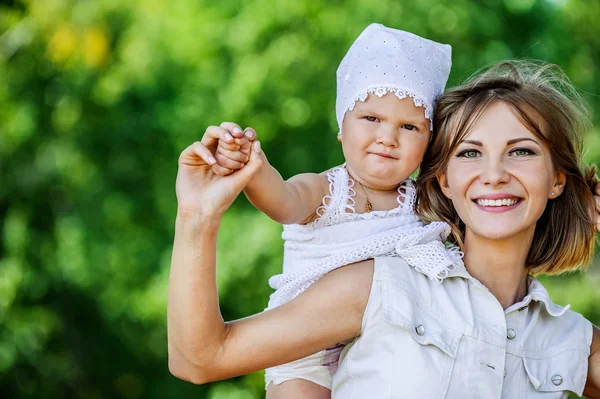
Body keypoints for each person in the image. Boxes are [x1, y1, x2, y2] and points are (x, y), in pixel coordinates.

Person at [167, 60, 600, 398]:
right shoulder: (381, 285)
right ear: (443, 180)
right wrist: (196, 217)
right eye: (470, 153)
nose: (494, 173)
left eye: (521, 151)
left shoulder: (569, 339)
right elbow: (200, 360)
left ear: (557, 179)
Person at [208, 23, 454, 398]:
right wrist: (253, 169)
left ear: (428, 141)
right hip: (304, 353)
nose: (387, 137)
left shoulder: (421, 201)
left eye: (408, 126)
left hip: (383, 349)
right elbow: (283, 201)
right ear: (342, 125)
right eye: (371, 119)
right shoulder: (327, 189)